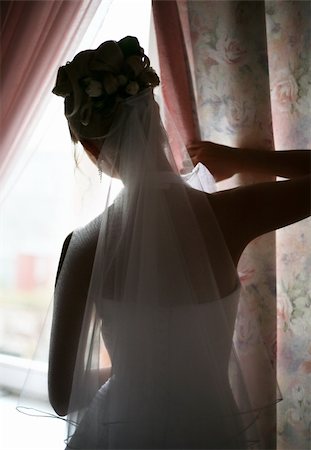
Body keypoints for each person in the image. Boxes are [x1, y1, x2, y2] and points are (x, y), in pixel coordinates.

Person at [49, 36, 310, 449]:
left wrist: (137, 368)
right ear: (154, 115)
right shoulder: (229, 216)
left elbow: (62, 397)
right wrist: (240, 158)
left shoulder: (81, 247)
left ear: (92, 148)